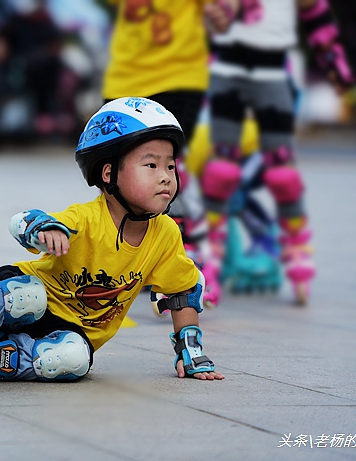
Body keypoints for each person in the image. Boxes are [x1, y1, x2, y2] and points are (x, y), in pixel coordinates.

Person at [0, 97, 224, 386]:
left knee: (73, 360)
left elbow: (182, 290)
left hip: (70, 330)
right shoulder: (87, 218)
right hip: (27, 298)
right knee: (27, 296)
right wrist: (45, 230)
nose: (166, 176)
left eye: (170, 166)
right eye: (151, 165)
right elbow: (24, 221)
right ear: (108, 174)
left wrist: (191, 352)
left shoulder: (164, 235)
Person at [201, 0, 354, 305]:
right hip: (226, 71)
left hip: (271, 75)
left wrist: (330, 54)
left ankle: (297, 248)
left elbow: (314, 11)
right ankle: (210, 258)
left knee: (282, 172)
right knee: (221, 170)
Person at [101, 0, 240, 308]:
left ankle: (181, 260)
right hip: (125, 75)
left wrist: (224, 11)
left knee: (163, 166)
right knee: (119, 173)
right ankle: (131, 258)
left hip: (177, 74)